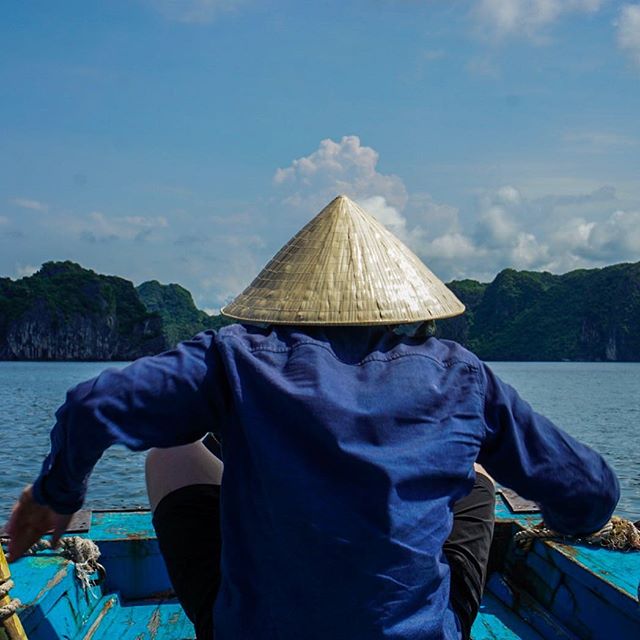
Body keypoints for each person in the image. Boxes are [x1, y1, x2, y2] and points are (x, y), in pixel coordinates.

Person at [6, 195, 619, 640]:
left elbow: (93, 406)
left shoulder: (233, 358)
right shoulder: (461, 376)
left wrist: (57, 494)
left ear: (282, 297)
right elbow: (591, 493)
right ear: (406, 304)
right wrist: (567, 516)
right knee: (477, 476)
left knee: (169, 448)